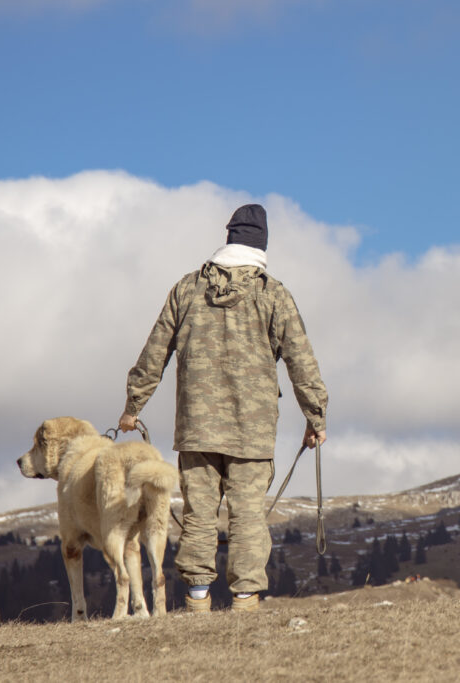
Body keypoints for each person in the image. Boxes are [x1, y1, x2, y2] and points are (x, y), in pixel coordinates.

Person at [118, 204, 328, 613]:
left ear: (228, 237)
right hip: (252, 430)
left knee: (198, 515)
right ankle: (245, 603)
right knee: (248, 517)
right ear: (262, 245)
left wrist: (132, 406)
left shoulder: (187, 288)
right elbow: (303, 362)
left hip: (196, 426)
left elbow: (154, 352)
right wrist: (316, 418)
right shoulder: (273, 294)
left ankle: (197, 604)